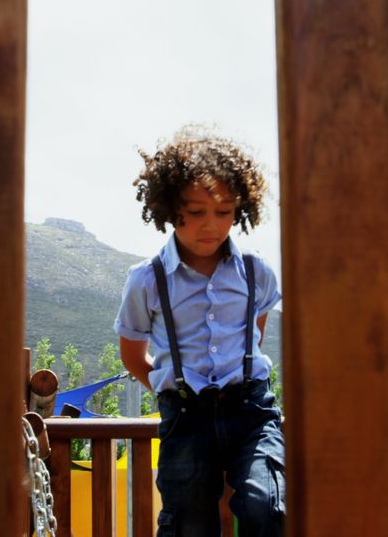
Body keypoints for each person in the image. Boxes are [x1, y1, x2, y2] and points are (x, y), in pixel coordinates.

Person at [114, 126, 285, 536]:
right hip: (186, 417)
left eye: (224, 211)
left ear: (240, 209)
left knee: (267, 506)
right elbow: (132, 357)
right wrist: (175, 388)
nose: (211, 225)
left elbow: (254, 339)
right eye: (196, 212)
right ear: (170, 210)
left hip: (251, 411)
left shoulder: (255, 271)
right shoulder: (147, 280)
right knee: (188, 524)